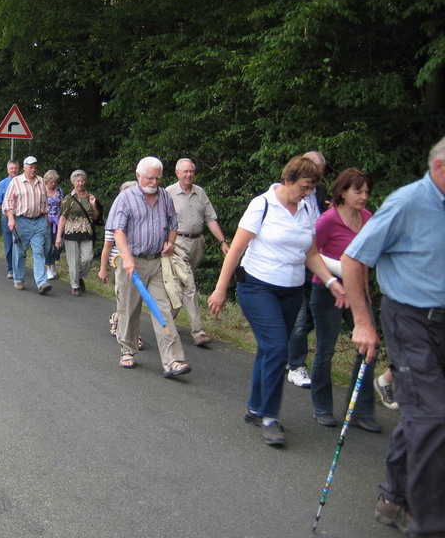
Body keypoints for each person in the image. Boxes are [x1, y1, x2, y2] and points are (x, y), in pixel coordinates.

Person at [341, 137, 445, 537]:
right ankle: (429, 520)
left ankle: (393, 496)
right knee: (434, 416)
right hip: (409, 319)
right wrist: (363, 323)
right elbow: (353, 259)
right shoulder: (406, 204)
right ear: (439, 169)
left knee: (421, 411)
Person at [207, 156, 345, 447]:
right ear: (289, 180)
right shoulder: (263, 204)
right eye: (304, 187)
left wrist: (332, 282)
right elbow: (235, 250)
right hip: (257, 287)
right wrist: (220, 289)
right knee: (277, 348)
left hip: (292, 290)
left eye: (312, 188)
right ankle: (270, 417)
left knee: (269, 350)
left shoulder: (308, 207)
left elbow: (311, 254)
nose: (307, 193)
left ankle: (256, 408)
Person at [308, 168, 380, 431]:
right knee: (325, 350)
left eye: (366, 192)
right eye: (357, 191)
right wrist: (334, 281)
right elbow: (310, 253)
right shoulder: (327, 220)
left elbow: (366, 261)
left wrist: (364, 295)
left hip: (357, 293)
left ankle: (360, 410)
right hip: (328, 292)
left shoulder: (368, 219)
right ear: (342, 191)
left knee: (369, 347)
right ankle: (322, 407)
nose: (363, 196)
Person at [105, 156, 191, 377]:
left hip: (157, 263)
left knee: (163, 309)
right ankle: (127, 350)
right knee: (129, 308)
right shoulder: (125, 199)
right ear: (138, 176)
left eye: (158, 178)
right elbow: (118, 231)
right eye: (150, 178)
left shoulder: (164, 197)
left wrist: (170, 243)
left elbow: (173, 224)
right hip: (130, 262)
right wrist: (127, 258)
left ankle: (172, 360)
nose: (154, 182)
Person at [165, 157, 229, 346]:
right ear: (177, 173)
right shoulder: (168, 193)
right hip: (177, 243)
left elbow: (210, 219)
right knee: (189, 284)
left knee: (181, 287)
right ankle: (198, 332)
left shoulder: (200, 193)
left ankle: (164, 323)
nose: (189, 175)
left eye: (192, 171)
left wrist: (222, 241)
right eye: (185, 171)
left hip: (197, 243)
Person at [287, 151, 330, 387]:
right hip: (296, 263)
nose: (315, 184)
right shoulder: (288, 194)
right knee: (299, 318)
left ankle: (288, 351)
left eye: (319, 177)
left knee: (314, 313)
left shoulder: (320, 192)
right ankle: (296, 365)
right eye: (312, 177)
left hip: (316, 259)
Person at [98, 181, 142, 349]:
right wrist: (103, 269)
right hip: (119, 263)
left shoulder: (140, 217)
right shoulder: (116, 218)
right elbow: (107, 247)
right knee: (125, 299)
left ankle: (118, 319)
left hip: (139, 262)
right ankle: (131, 337)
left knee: (134, 301)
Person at [2, 156, 51, 294]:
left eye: (35, 167)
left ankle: (42, 283)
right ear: (24, 167)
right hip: (21, 221)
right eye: (31, 167)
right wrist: (11, 220)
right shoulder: (16, 182)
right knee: (20, 252)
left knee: (39, 251)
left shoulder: (41, 181)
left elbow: (45, 202)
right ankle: (18, 279)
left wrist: (46, 219)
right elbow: (8, 203)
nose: (33, 170)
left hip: (39, 220)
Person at [56, 169, 99, 296]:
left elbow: (95, 217)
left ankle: (78, 276)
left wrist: (93, 205)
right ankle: (75, 285)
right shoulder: (68, 199)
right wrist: (59, 236)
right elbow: (62, 217)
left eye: (82, 181)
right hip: (71, 232)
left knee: (88, 258)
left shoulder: (90, 197)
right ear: (73, 182)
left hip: (86, 231)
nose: (80, 183)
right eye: (78, 181)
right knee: (73, 260)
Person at [0, 160, 20, 279]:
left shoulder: (23, 183)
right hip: (6, 217)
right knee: (9, 244)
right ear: (8, 170)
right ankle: (11, 269)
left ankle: (19, 267)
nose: (14, 170)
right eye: (11, 168)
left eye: (16, 168)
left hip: (20, 217)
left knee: (20, 243)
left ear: (19, 169)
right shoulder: (2, 184)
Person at [43, 169, 64, 281]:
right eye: (51, 182)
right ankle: (48, 268)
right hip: (46, 221)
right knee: (48, 245)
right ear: (47, 181)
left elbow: (63, 205)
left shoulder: (59, 190)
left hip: (58, 220)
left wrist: (63, 217)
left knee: (59, 244)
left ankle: (53, 262)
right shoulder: (42, 190)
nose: (54, 184)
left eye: (55, 181)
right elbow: (39, 205)